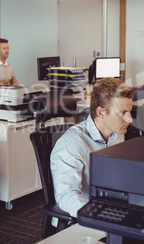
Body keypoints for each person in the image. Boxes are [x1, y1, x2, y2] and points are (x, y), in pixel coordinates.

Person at [50, 77, 133, 219]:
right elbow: (67, 196)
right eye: (123, 113)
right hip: (82, 220)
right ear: (101, 112)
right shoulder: (72, 143)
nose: (130, 119)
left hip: (113, 208)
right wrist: (101, 216)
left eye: (129, 112)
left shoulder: (117, 135)